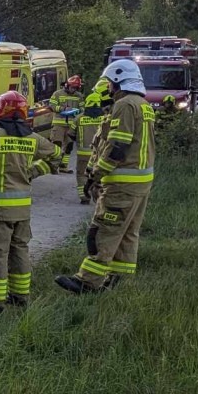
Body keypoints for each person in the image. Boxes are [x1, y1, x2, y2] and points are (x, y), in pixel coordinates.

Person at [56, 59, 156, 294]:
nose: (109, 87)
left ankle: (87, 282)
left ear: (119, 80)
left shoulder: (124, 105)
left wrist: (96, 175)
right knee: (128, 233)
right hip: (141, 183)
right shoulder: (144, 105)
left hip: (122, 184)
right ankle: (119, 282)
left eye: (111, 83)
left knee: (103, 231)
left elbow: (118, 146)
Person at [0, 91, 61, 314]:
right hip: (22, 210)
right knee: (20, 251)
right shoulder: (32, 138)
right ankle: (19, 296)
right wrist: (33, 172)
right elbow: (57, 156)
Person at [73, 82, 109, 203]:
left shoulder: (79, 118)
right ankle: (97, 196)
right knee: (98, 175)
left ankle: (84, 197)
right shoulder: (105, 118)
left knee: (81, 174)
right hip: (99, 154)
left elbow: (70, 135)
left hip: (82, 153)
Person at [49, 75, 83, 172]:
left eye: (76, 88)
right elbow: (52, 105)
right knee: (57, 146)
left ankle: (64, 167)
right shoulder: (57, 94)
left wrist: (78, 111)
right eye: (72, 87)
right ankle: (53, 166)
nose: (73, 90)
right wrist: (63, 109)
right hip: (59, 124)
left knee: (69, 147)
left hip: (71, 125)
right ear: (67, 85)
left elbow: (82, 108)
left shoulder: (79, 96)